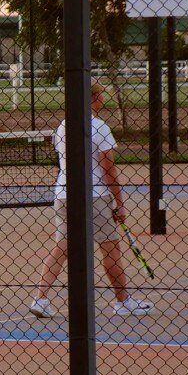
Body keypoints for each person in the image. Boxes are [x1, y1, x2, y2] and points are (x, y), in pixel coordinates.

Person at [28, 79, 151, 318]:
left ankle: (40, 298)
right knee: (110, 248)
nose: (103, 98)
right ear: (95, 98)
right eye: (101, 94)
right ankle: (123, 301)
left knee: (62, 247)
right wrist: (119, 203)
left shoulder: (63, 126)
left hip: (64, 194)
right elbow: (108, 168)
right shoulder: (100, 127)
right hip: (95, 196)